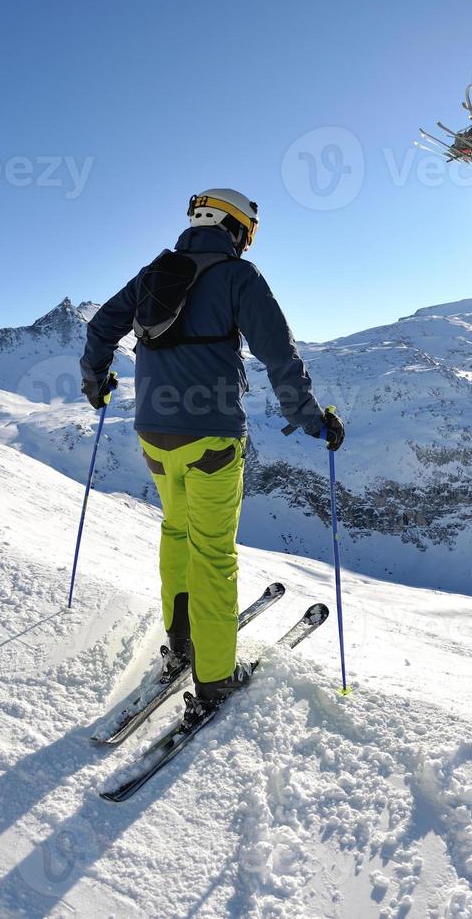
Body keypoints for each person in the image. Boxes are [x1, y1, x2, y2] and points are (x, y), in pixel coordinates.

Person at [79, 188, 345, 708]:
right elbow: (279, 354)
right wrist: (313, 421)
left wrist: (96, 382)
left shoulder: (155, 272)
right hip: (212, 438)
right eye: (249, 231)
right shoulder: (239, 277)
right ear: (236, 228)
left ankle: (181, 644)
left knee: (176, 533)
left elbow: (101, 327)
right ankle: (217, 677)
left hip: (153, 436)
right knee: (214, 555)